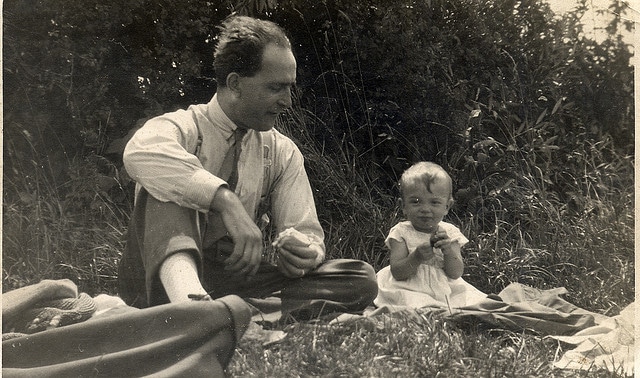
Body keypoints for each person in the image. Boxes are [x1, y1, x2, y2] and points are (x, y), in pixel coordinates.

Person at [118, 15, 377, 322]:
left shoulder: (282, 151)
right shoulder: (185, 126)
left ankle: (229, 313)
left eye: (290, 88)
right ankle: (194, 308)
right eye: (276, 88)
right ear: (235, 84)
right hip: (158, 278)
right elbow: (138, 150)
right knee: (166, 185)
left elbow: (307, 232)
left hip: (232, 278)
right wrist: (224, 200)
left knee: (359, 278)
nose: (288, 102)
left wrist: (305, 255)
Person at [374, 162, 485, 309]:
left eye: (434, 202)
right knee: (411, 302)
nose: (425, 209)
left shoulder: (449, 233)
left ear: (447, 207)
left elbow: (456, 273)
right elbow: (398, 272)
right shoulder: (401, 232)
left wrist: (448, 251)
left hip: (445, 288)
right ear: (403, 206)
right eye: (416, 202)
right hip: (409, 286)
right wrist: (416, 257)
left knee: (471, 302)